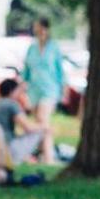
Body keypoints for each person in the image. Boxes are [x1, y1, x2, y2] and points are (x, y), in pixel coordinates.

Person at [0, 78, 53, 176]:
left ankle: (38, 158)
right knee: (44, 130)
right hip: (8, 151)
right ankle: (49, 161)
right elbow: (28, 127)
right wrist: (45, 126)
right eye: (18, 91)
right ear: (12, 91)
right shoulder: (11, 104)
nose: (20, 94)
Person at [22, 18, 64, 164]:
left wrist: (63, 92)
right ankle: (41, 154)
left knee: (43, 120)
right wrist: (22, 89)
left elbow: (60, 72)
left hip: (50, 90)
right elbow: (26, 71)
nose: (37, 30)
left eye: (39, 27)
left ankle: (49, 158)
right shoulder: (31, 48)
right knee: (38, 122)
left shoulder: (54, 47)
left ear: (45, 28)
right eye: (35, 27)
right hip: (34, 91)